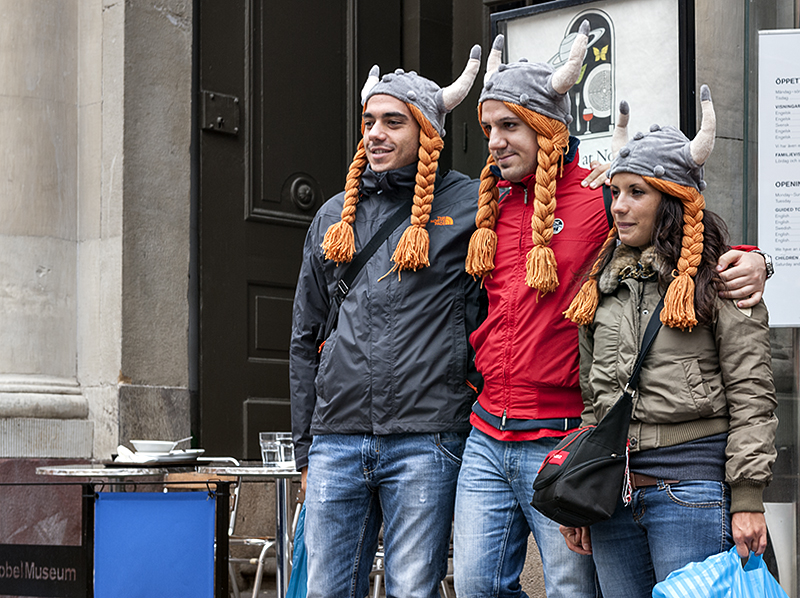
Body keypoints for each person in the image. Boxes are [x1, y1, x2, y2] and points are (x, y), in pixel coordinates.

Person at [453, 26, 770, 598]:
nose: (495, 142)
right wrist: (587, 478)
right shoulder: (488, 209)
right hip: (566, 455)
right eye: (488, 129)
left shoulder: (599, 205)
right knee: (475, 584)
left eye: (510, 125)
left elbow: (749, 381)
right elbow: (601, 379)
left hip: (644, 463)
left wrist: (757, 261)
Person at [559, 87, 778, 597]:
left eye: (637, 192)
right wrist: (581, 490)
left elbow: (752, 394)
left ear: (673, 200)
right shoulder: (600, 282)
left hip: (691, 489)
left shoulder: (721, 278)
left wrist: (747, 496)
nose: (619, 206)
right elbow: (594, 401)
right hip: (615, 492)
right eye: (616, 192)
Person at [289, 47, 484, 598]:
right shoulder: (332, 215)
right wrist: (308, 446)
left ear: (428, 131)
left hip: (427, 438)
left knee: (410, 591)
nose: (375, 133)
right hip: (336, 441)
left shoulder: (471, 206)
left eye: (393, 121)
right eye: (369, 121)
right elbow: (306, 335)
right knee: (327, 591)